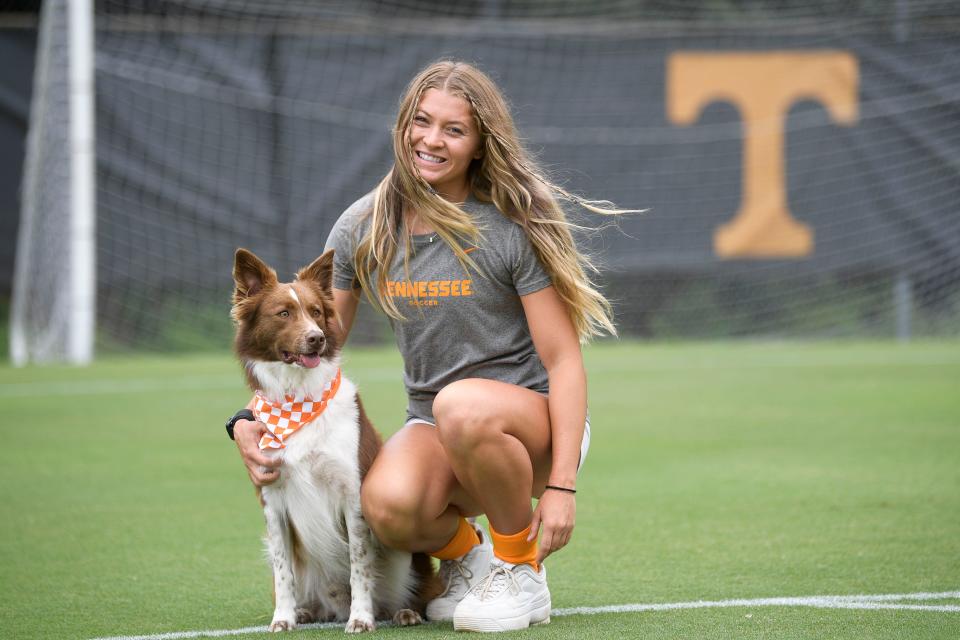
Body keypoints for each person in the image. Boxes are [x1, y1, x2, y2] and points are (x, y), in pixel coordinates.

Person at [230, 60, 627, 632]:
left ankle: (521, 571)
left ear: (479, 144)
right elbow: (311, 349)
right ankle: (472, 554)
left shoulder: (510, 225)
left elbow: (564, 361)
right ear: (403, 125)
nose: (432, 140)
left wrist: (562, 485)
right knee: (383, 506)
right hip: (438, 426)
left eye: (454, 130)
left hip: (528, 426)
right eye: (422, 122)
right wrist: (247, 421)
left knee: (459, 404)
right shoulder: (363, 227)